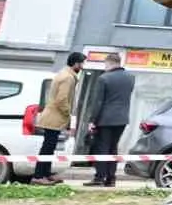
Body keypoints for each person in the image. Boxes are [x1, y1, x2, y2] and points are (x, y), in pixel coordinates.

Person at [31, 51, 84, 186]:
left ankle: (46, 174)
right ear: (76, 63)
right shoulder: (68, 77)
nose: (82, 66)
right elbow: (62, 99)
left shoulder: (64, 74)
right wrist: (67, 114)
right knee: (48, 147)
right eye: (81, 63)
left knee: (49, 146)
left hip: (52, 116)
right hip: (54, 117)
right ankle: (39, 175)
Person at [83, 52, 135, 187]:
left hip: (105, 119)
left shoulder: (104, 78)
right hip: (122, 119)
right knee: (113, 148)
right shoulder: (130, 78)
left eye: (105, 64)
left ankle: (99, 177)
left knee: (102, 148)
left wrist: (92, 121)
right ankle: (111, 178)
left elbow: (98, 102)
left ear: (109, 63)